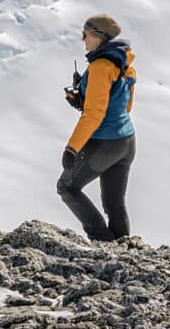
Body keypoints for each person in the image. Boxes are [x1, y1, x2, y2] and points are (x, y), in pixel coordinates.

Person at [58, 13, 138, 241]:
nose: (83, 39)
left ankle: (103, 243)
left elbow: (94, 114)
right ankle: (124, 253)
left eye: (86, 34)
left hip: (105, 142)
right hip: (126, 141)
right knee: (114, 203)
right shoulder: (123, 60)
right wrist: (83, 99)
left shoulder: (101, 66)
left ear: (98, 36)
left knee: (66, 187)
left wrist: (72, 148)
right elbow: (127, 105)